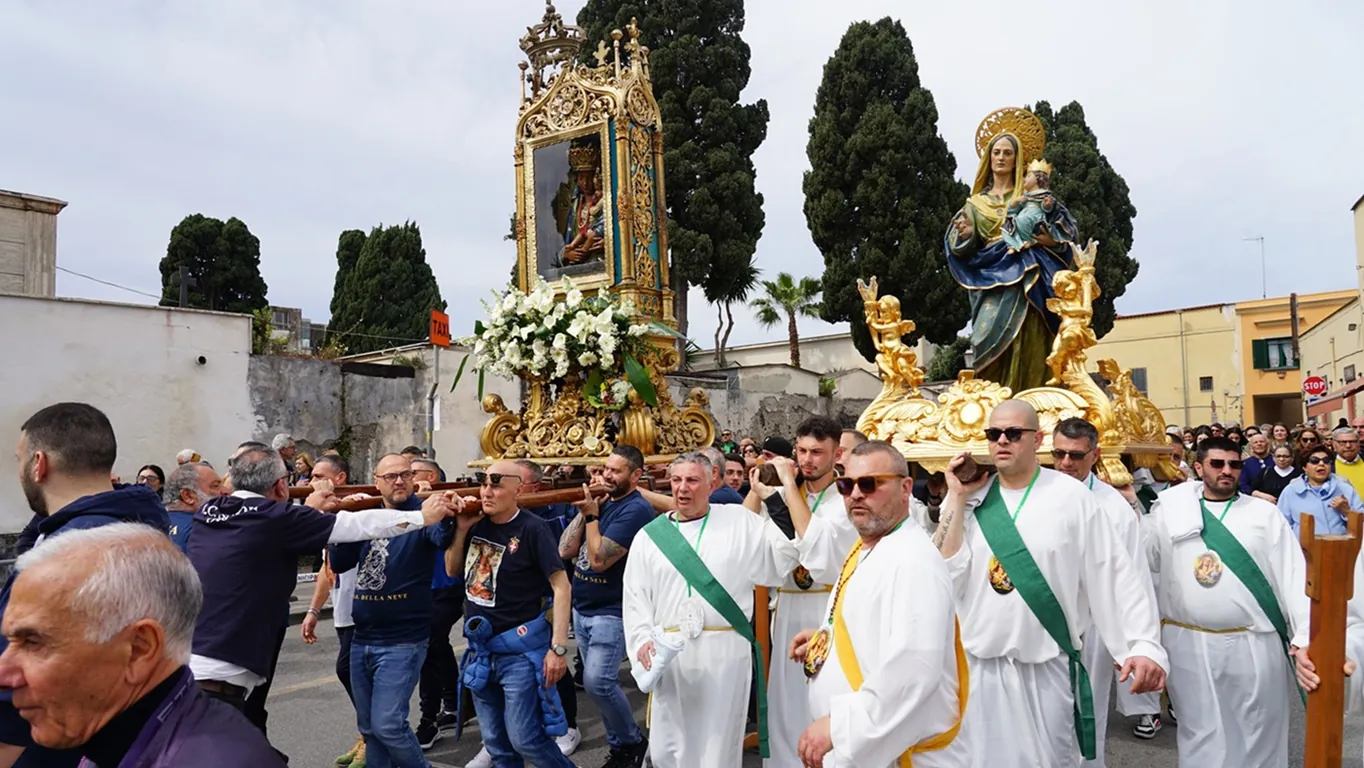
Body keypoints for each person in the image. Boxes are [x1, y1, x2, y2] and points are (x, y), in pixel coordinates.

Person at [937, 400, 1166, 768]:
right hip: (978, 669)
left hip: (1046, 669)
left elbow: (1115, 575)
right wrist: (956, 495)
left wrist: (1142, 645)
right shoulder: (974, 497)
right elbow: (945, 572)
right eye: (993, 434)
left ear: (1036, 439)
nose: (1002, 442)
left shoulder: (1072, 497)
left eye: (1013, 433)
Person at [187, 446, 456, 752]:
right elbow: (359, 526)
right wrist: (423, 516)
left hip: (190, 666)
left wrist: (310, 507)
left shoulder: (209, 512)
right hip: (221, 681)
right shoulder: (277, 518)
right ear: (280, 486)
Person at [0, 523, 284, 767]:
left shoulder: (212, 759)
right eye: (10, 642)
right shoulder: (119, 738)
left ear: (138, 649)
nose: (4, 675)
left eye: (33, 642)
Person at [0, 402, 172, 768]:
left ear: (39, 463)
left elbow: (19, 679)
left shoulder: (65, 555)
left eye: (19, 459)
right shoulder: (142, 532)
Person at [789, 440, 970, 767]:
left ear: (905, 488)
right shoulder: (870, 547)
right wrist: (823, 640)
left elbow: (914, 668)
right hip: (861, 748)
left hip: (892, 752)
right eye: (846, 484)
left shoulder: (912, 561)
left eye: (869, 484)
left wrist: (840, 725)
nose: (855, 494)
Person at [622, 453, 799, 768]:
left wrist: (773, 500)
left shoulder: (739, 521)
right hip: (672, 654)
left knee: (717, 747)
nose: (682, 489)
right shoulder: (649, 538)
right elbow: (635, 601)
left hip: (725, 654)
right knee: (668, 747)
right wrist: (642, 642)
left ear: (712, 481)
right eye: (676, 481)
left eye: (692, 480)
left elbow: (780, 558)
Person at [1144, 436, 1309, 765]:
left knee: (1258, 730)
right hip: (1188, 641)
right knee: (1199, 731)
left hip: (1253, 642)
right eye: (1217, 464)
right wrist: (1129, 507)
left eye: (1234, 464)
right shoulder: (1170, 512)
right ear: (1198, 466)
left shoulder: (1264, 514)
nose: (1226, 471)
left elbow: (1293, 576)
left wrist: (1304, 636)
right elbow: (1142, 558)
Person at [330, 454, 459, 768]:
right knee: (370, 730)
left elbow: (441, 536)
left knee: (388, 724)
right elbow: (339, 562)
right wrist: (346, 515)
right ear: (377, 481)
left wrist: (448, 511)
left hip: (403, 639)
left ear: (413, 479)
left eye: (404, 474)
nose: (399, 481)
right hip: (362, 636)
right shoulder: (368, 516)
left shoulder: (423, 513)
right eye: (390, 476)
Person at [1048, 418, 1163, 756]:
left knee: (1086, 711)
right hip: (1041, 619)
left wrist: (1136, 642)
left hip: (1093, 626)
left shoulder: (1114, 508)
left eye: (1076, 455)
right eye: (1058, 454)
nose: (1066, 463)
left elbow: (1135, 579)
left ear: (1095, 455)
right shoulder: (1035, 493)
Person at [449, 460, 575, 768]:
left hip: (518, 653)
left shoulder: (533, 529)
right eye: (483, 483)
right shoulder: (475, 522)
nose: (487, 491)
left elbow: (561, 586)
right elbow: (453, 570)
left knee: (526, 739)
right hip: (480, 651)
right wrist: (461, 530)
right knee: (496, 745)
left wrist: (558, 648)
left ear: (517, 489)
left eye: (496, 484)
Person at [944, 110, 1079, 393]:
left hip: (1031, 281)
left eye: (1008, 152)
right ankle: (992, 407)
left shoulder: (1034, 198)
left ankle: (1034, 402)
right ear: (988, 158)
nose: (1001, 157)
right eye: (996, 152)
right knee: (985, 342)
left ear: (1018, 159)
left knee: (1032, 341)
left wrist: (1048, 241)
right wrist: (965, 237)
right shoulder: (976, 203)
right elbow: (957, 243)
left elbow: (1066, 237)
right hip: (990, 282)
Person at [746, 415, 854, 768]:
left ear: (837, 454)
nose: (808, 460)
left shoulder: (846, 497)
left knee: (827, 698)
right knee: (786, 704)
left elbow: (823, 553)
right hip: (790, 608)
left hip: (829, 608)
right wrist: (764, 494)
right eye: (802, 451)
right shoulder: (781, 492)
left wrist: (785, 493)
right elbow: (763, 553)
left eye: (818, 452)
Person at [558, 446, 654, 767]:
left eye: (615, 471)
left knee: (598, 682)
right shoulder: (600, 504)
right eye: (605, 469)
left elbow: (599, 560)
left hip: (611, 611)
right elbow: (565, 550)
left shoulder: (637, 509)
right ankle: (621, 747)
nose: (606, 476)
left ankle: (632, 741)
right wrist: (585, 513)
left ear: (635, 476)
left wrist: (591, 516)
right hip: (582, 607)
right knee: (597, 685)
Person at [297, 455, 367, 767]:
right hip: (341, 610)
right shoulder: (326, 513)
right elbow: (328, 568)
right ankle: (366, 734)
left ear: (338, 479)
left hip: (362, 609)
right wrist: (313, 609)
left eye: (317, 475)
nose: (310, 481)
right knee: (353, 674)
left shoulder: (359, 504)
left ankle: (373, 738)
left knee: (351, 672)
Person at [1277, 444, 1364, 536]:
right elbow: (1282, 526)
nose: (1321, 464)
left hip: (1341, 547)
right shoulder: (1291, 491)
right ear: (1304, 467)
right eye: (1315, 461)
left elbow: (1362, 522)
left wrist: (1346, 511)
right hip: (1303, 549)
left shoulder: (1345, 489)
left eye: (1326, 461)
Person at [161, 462, 222, 553]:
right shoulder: (203, 529)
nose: (225, 491)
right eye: (215, 486)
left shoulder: (152, 525)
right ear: (188, 496)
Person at [1334, 427, 1364, 491]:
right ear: (1334, 444)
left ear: (1359, 443)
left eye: (1352, 441)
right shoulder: (1327, 464)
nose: (1348, 446)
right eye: (1343, 442)